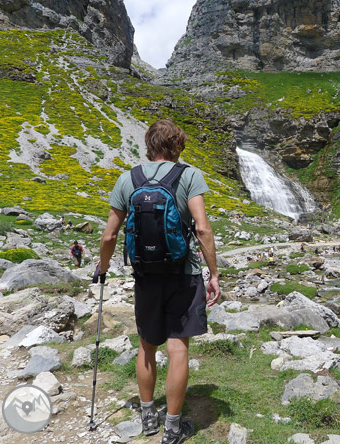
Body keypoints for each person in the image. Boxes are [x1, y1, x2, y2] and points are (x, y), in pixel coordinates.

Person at [98, 120, 220, 444]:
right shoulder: (189, 175)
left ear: (148, 144)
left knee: (146, 345)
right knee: (178, 348)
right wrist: (214, 274)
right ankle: (173, 428)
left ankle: (148, 415)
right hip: (183, 273)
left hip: (145, 277)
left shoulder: (128, 179)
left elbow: (110, 233)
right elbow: (203, 228)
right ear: (178, 145)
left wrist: (103, 265)